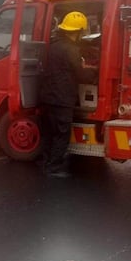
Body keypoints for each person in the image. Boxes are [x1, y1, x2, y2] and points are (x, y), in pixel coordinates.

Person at [39, 11, 97, 178]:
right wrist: (95, 73)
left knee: (49, 132)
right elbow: (80, 74)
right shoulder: (71, 50)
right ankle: (54, 168)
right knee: (62, 133)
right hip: (62, 98)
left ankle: (45, 163)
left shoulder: (53, 45)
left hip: (47, 96)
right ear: (78, 31)